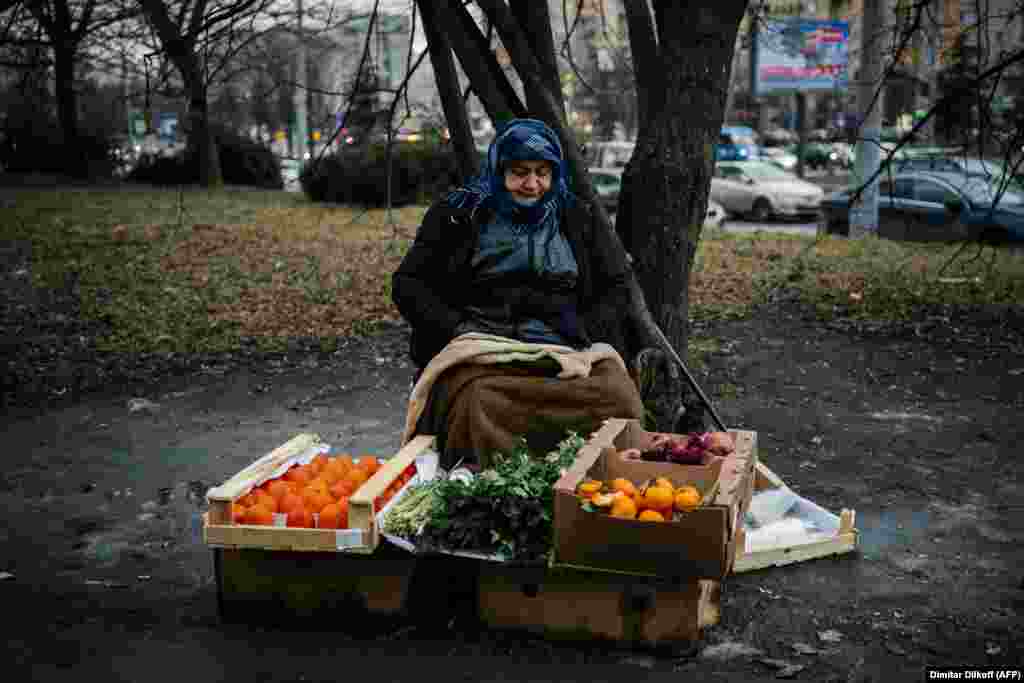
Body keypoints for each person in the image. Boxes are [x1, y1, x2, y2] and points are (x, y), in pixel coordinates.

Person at [392, 118, 644, 469]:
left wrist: (588, 327)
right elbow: (408, 284)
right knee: (478, 403)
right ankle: (488, 493)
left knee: (618, 397)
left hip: (564, 343)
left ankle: (597, 485)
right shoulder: (459, 214)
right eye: (520, 172)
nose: (532, 184)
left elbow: (617, 285)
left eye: (543, 172)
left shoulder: (576, 217)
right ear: (498, 170)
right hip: (483, 345)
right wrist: (455, 326)